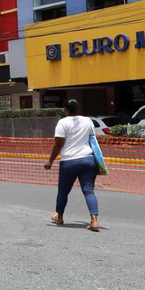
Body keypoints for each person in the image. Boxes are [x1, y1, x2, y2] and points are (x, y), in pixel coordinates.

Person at [45, 99, 100, 231]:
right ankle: (94, 221)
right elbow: (92, 139)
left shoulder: (62, 122)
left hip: (69, 161)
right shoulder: (88, 121)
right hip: (88, 160)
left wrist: (50, 161)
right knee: (88, 191)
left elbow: (58, 144)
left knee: (63, 191)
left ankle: (59, 217)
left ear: (67, 110)